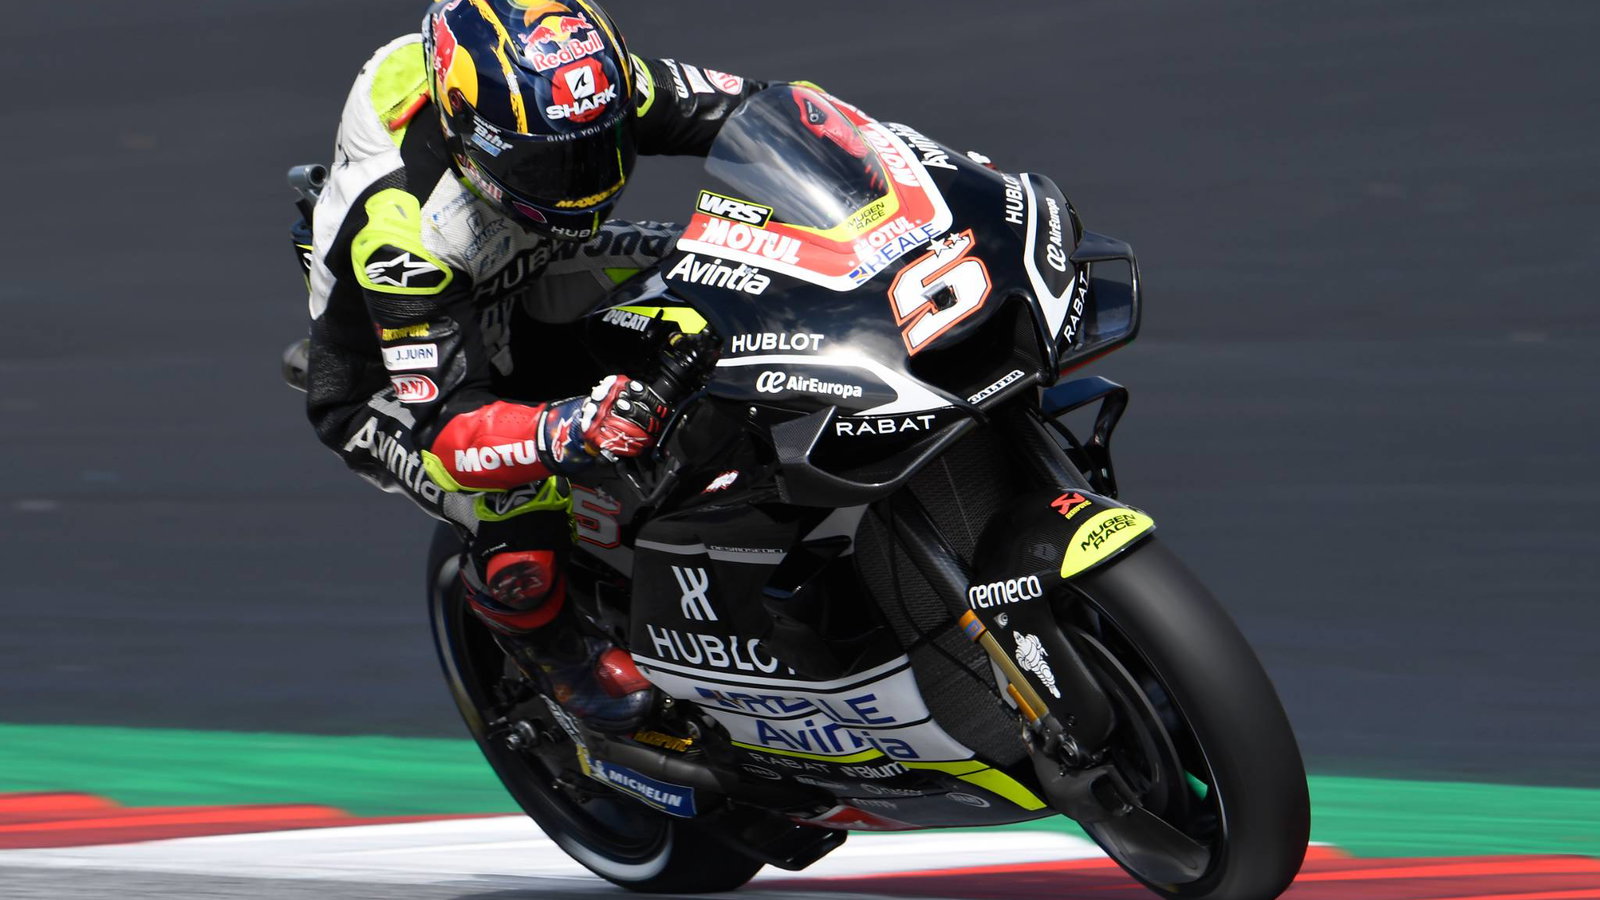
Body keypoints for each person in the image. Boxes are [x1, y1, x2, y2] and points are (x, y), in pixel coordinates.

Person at [302, 0, 768, 732]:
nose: (578, 179)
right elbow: (450, 430)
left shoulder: (579, 92)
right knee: (516, 501)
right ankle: (553, 653)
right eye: (545, 164)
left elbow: (769, 114)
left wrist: (897, 165)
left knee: (725, 273)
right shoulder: (402, 235)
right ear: (467, 131)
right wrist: (569, 429)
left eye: (595, 149)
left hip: (523, 269)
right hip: (394, 381)